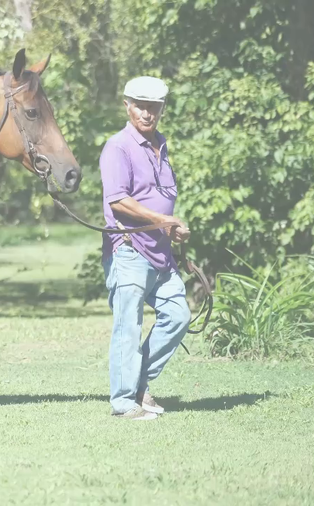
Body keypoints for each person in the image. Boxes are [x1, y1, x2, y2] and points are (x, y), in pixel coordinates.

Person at [99, 76, 191, 421]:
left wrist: (172, 229)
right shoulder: (118, 147)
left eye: (154, 107)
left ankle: (138, 384)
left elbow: (159, 198)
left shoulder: (161, 146)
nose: (147, 113)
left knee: (178, 316)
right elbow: (118, 200)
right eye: (140, 106)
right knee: (128, 326)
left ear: (162, 109)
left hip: (160, 253)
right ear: (127, 106)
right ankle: (124, 403)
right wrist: (161, 220)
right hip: (128, 250)